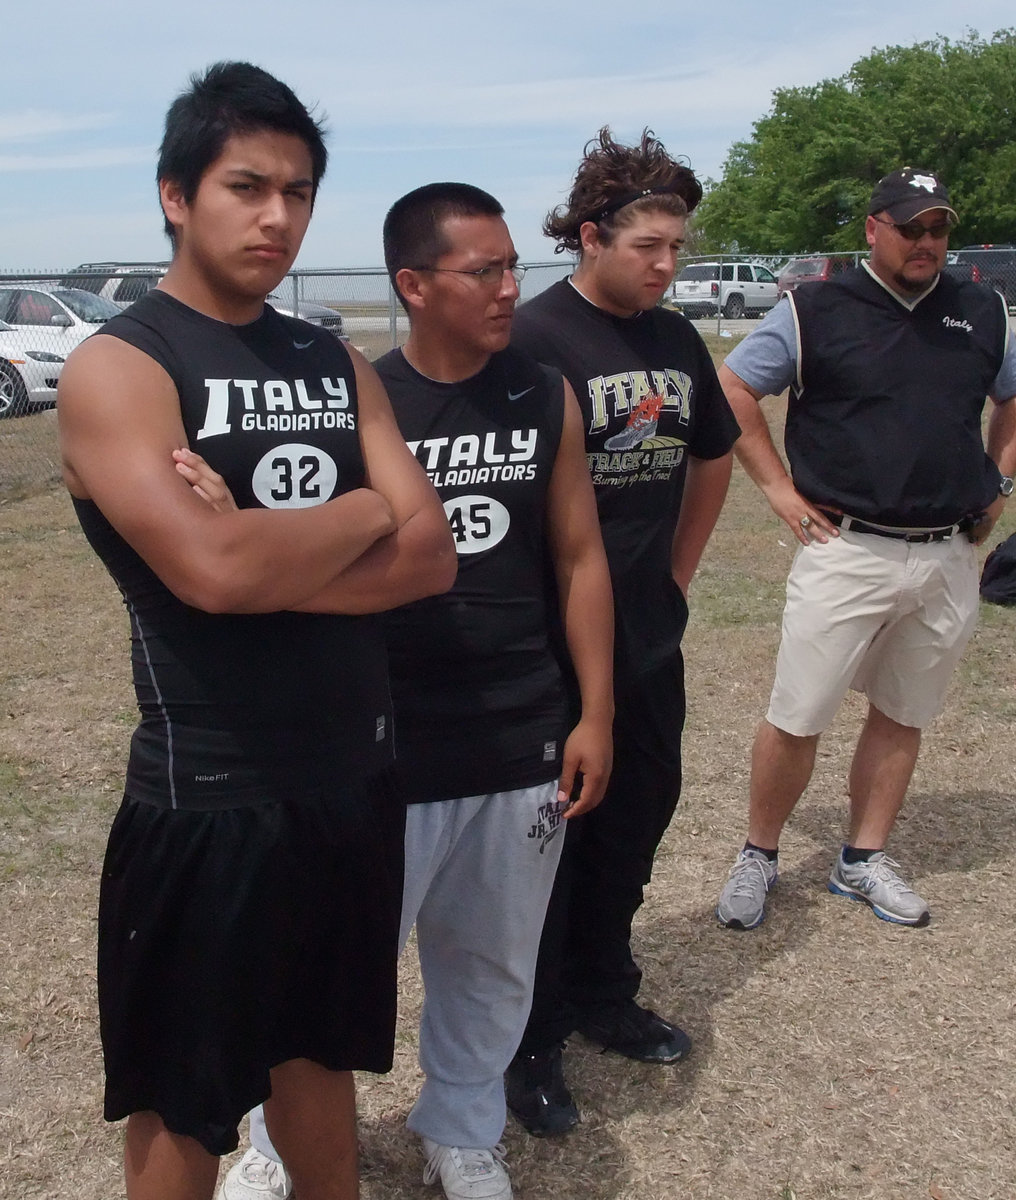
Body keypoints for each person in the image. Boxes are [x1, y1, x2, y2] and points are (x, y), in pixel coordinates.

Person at [57, 62, 455, 1200]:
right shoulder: (123, 366)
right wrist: (367, 508)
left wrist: (288, 539)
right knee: (185, 1105)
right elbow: (211, 571)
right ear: (177, 195)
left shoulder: (328, 358)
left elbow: (430, 555)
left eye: (298, 192)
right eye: (245, 186)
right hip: (211, 796)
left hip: (351, 776)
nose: (276, 216)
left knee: (318, 1059)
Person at [212, 183, 614, 1200]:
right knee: (322, 973)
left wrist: (595, 711)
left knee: (489, 965)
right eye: (484, 270)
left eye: (511, 265)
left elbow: (577, 559)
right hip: (374, 744)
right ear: (413, 285)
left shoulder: (542, 392)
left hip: (517, 731)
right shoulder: (359, 402)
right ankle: (270, 1143)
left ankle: (463, 1129)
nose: (509, 288)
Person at [504, 128, 741, 1136]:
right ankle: (528, 1038)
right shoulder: (534, 341)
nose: (666, 265)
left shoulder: (676, 340)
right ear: (590, 237)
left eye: (677, 248)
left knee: (636, 824)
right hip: (545, 656)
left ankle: (605, 993)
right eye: (648, 246)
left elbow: (712, 454)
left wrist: (677, 574)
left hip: (647, 643)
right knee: (544, 849)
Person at [715, 166, 1016, 933]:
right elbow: (735, 390)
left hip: (947, 552)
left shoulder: (983, 310)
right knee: (799, 712)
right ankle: (760, 852)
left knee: (903, 710)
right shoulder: (813, 308)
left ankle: (861, 858)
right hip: (846, 545)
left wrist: (997, 481)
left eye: (938, 228)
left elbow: (1012, 400)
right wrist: (780, 490)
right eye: (909, 226)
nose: (925, 242)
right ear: (872, 229)